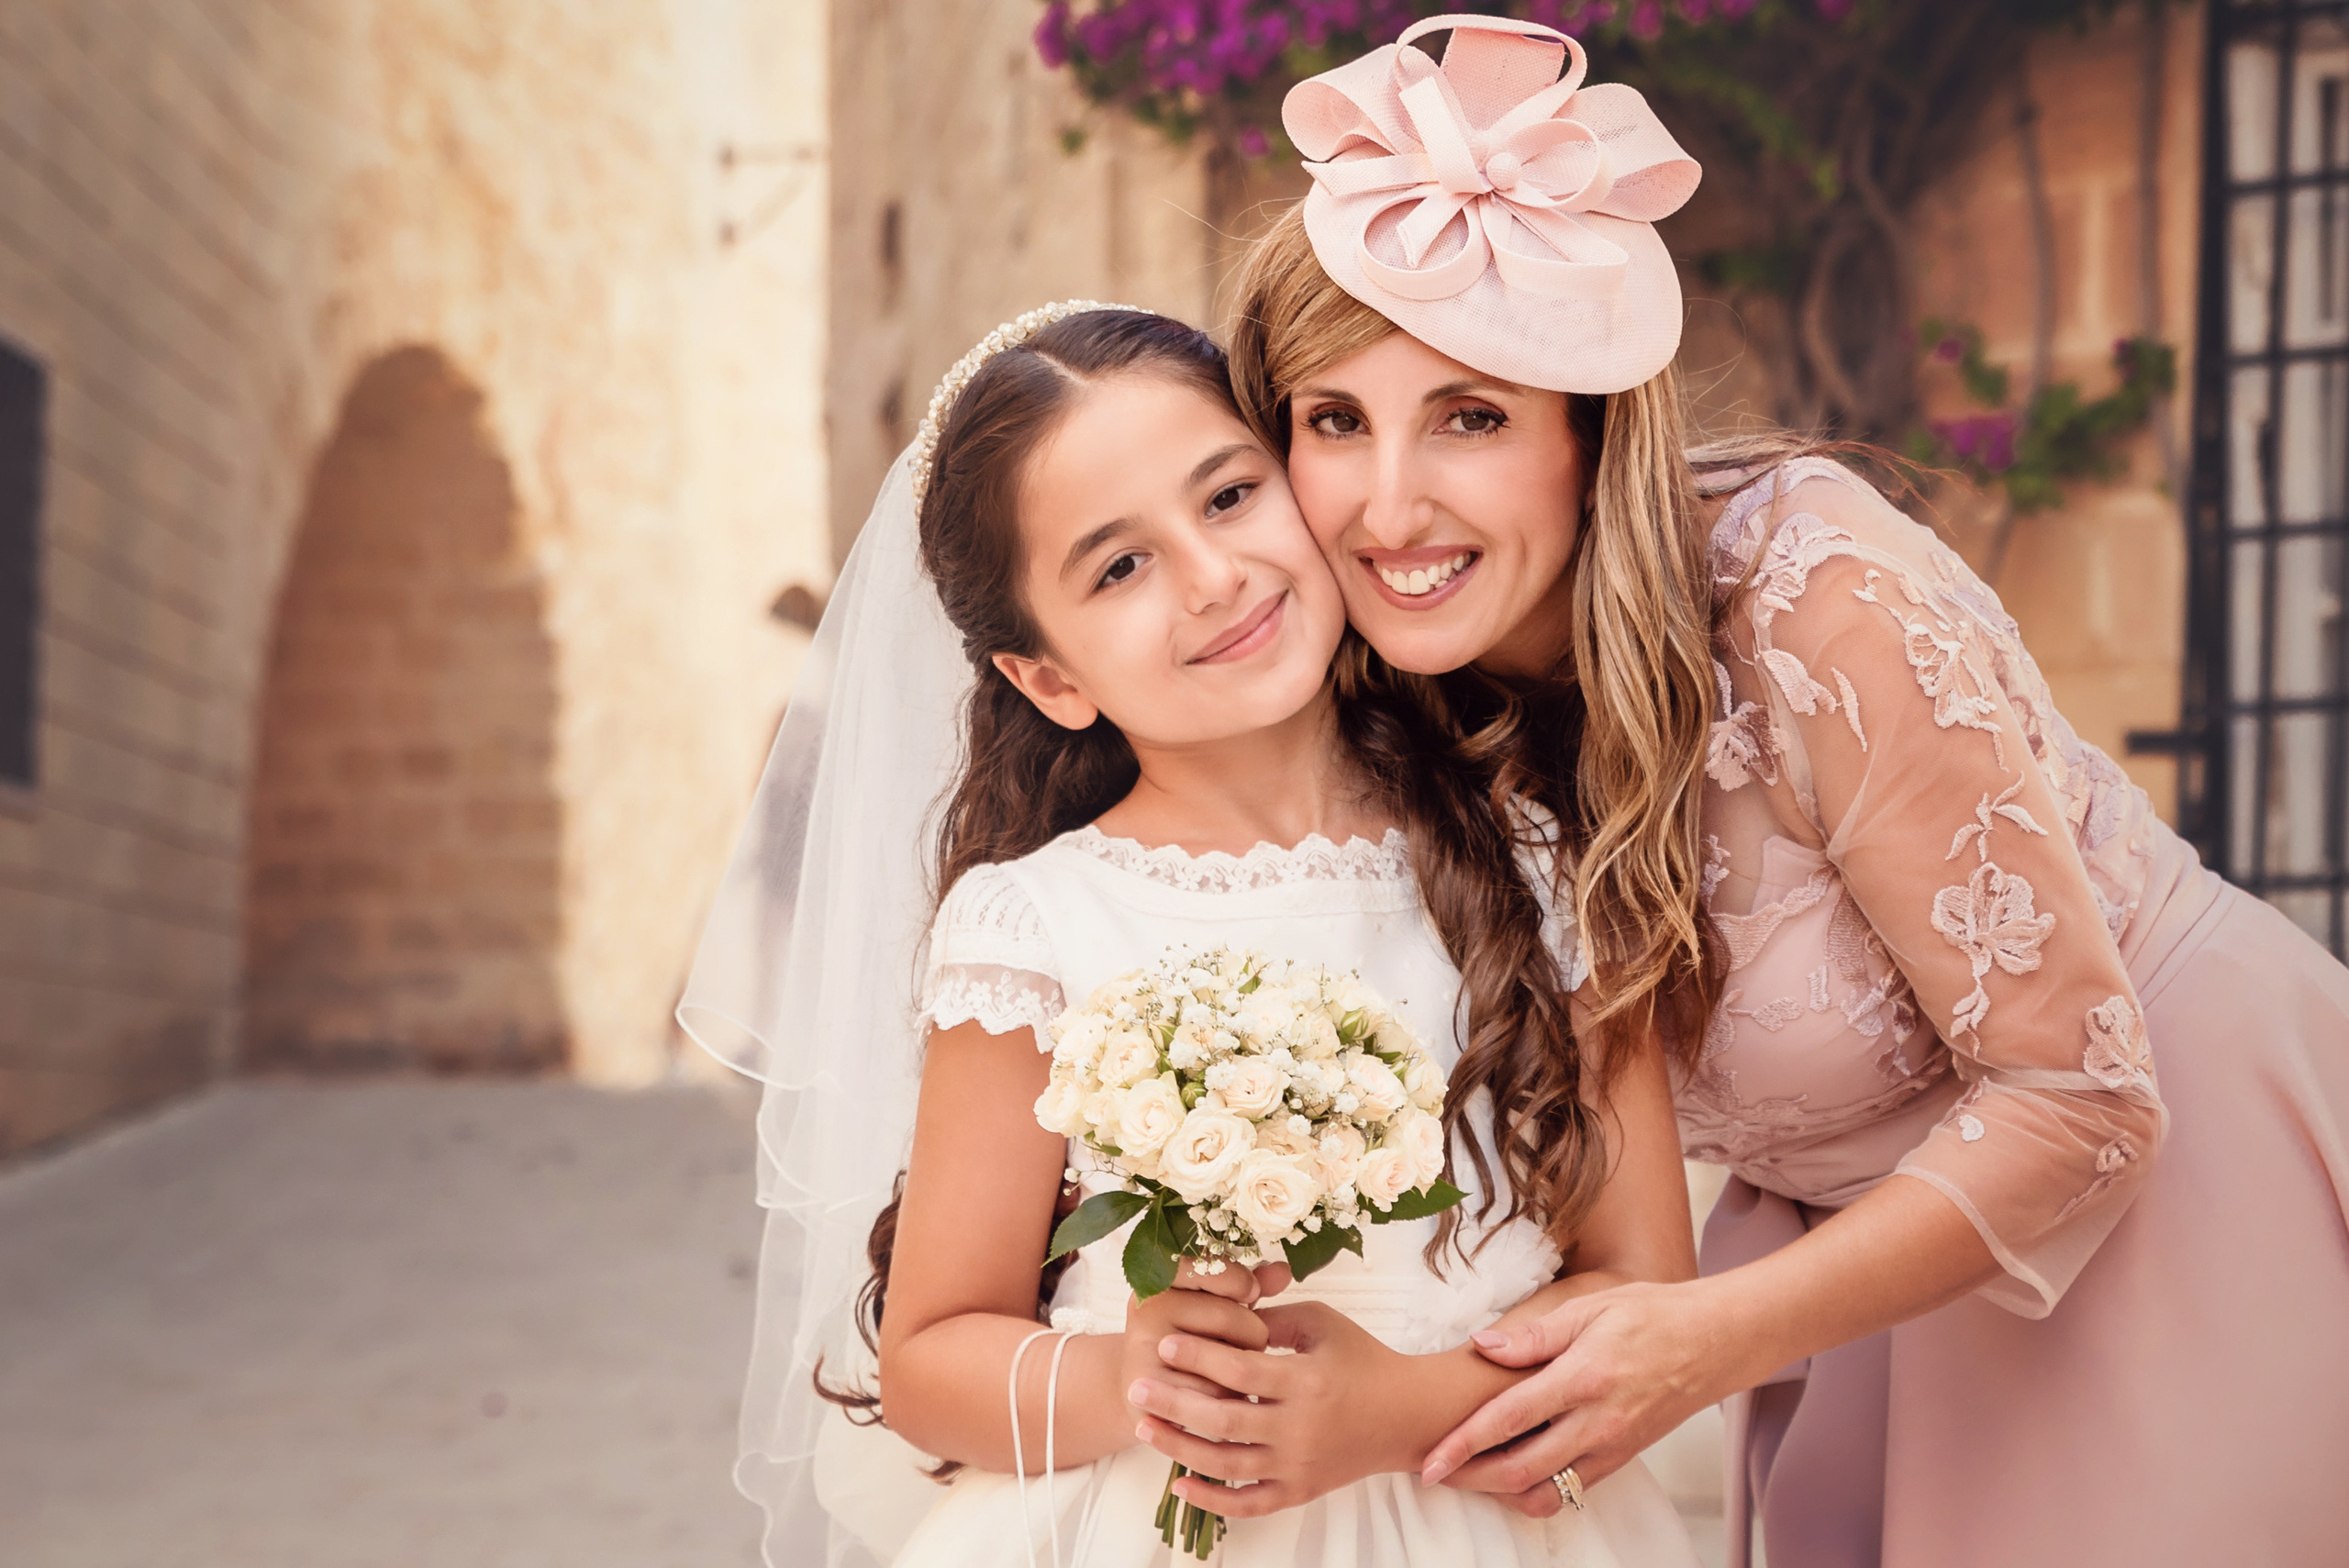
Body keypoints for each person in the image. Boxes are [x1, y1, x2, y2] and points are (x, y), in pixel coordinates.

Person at [1166, 15, 2349, 1566]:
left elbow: (2080, 1093)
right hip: (1851, 1277)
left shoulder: (1805, 590)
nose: (1390, 506)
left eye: (1470, 414)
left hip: (2181, 1182)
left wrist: (1709, 1336)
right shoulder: (1397, 706)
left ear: (1590, 434)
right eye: (1335, 420)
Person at [682, 301, 1704, 1568]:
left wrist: (1399, 1410)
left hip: (1486, 1512)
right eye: (1120, 566)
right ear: (1049, 678)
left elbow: (1648, 1284)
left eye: (1228, 497)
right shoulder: (1041, 923)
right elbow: (935, 1357)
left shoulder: (1540, 861)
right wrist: (1133, 1377)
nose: (1214, 575)